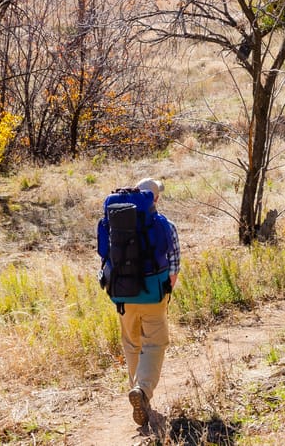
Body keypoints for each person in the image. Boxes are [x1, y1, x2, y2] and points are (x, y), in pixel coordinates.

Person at [115, 178, 180, 428]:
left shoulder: (117, 222)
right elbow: (174, 265)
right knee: (154, 344)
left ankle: (139, 394)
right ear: (156, 198)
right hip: (154, 294)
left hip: (122, 295)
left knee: (132, 343)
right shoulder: (165, 225)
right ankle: (142, 391)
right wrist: (165, 293)